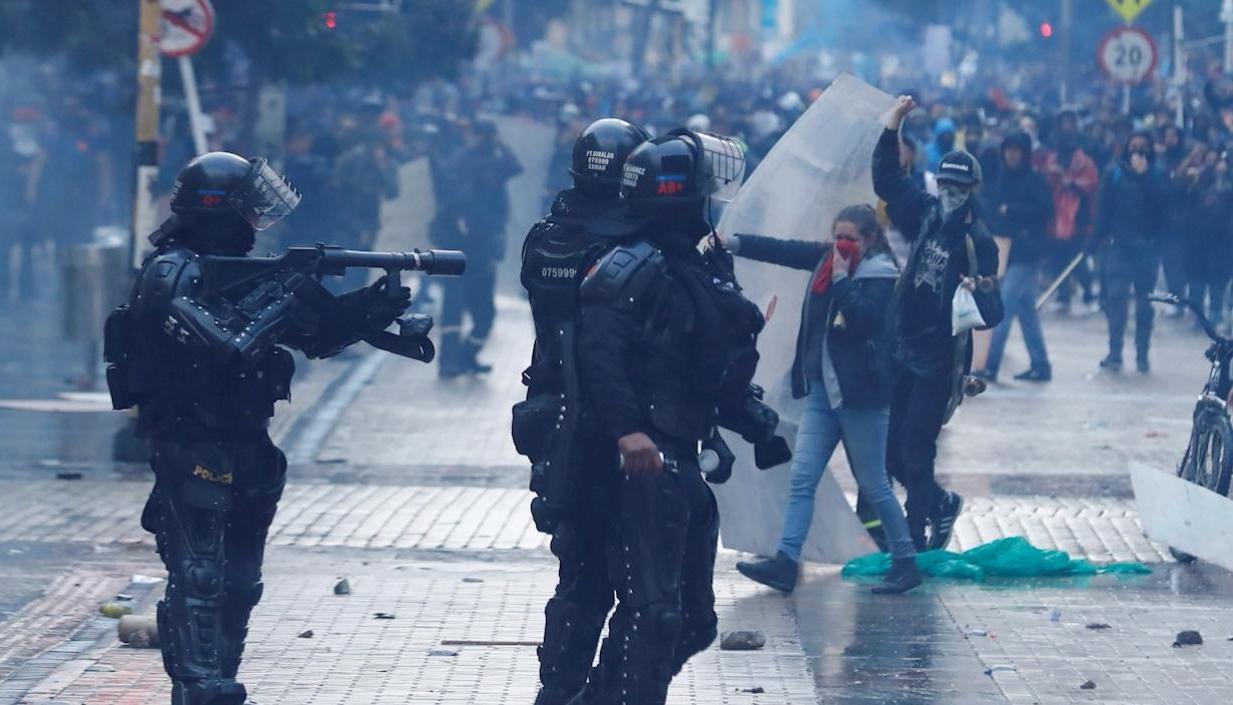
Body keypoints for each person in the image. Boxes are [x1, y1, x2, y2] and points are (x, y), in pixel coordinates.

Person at [105, 153, 413, 705]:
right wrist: (278, 298)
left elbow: (319, 336)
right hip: (191, 438)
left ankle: (222, 678)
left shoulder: (247, 274)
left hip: (248, 441)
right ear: (219, 212)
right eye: (248, 212)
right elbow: (225, 347)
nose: (255, 226)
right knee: (199, 574)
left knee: (241, 582)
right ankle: (198, 689)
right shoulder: (172, 272)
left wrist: (376, 302)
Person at [574, 129, 782, 705]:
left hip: (684, 456)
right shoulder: (630, 267)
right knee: (657, 615)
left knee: (693, 620)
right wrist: (627, 431)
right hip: (645, 459)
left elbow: (711, 363)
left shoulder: (693, 268)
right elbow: (598, 354)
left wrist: (755, 420)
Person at [516, 117, 650, 705]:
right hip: (625, 427)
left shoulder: (547, 237)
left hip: (558, 422)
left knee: (578, 573)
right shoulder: (637, 251)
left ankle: (559, 692)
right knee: (645, 586)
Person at [723, 205, 922, 595]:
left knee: (874, 484)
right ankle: (786, 561)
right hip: (822, 393)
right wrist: (733, 243)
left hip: (860, 397)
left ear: (870, 241)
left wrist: (845, 280)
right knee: (802, 478)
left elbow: (864, 319)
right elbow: (783, 250)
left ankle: (905, 560)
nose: (842, 245)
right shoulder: (826, 261)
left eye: (852, 239)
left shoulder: (881, 277)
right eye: (838, 237)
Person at [874, 96, 1004, 552]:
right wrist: (892, 126)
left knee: (916, 446)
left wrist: (981, 287)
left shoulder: (978, 241)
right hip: (903, 345)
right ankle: (940, 503)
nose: (950, 193)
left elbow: (993, 315)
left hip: (940, 358)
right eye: (945, 184)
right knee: (890, 450)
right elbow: (889, 180)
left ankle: (914, 538)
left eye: (959, 188)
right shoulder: (925, 213)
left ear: (973, 190)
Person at [438, 120, 523, 377]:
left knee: (477, 311)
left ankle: (462, 358)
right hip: (465, 249)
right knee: (464, 309)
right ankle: (452, 361)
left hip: (474, 250)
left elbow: (515, 168)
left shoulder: (472, 162)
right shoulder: (471, 163)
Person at [974, 130, 1055, 383]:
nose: (1011, 154)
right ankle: (1040, 364)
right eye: (1008, 149)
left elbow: (1046, 210)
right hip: (1004, 250)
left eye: (1016, 150)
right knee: (1026, 310)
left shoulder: (1034, 180)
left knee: (1004, 308)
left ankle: (989, 364)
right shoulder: (1000, 177)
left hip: (1027, 254)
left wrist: (1013, 211)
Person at [1094, 132, 1167, 373]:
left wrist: (1144, 177)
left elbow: (1162, 208)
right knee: (1116, 299)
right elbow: (1104, 209)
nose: (1137, 152)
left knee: (1145, 304)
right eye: (1133, 148)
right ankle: (1115, 351)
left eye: (1142, 148)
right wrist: (1095, 239)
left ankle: (1142, 353)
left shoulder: (1157, 175)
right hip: (1120, 248)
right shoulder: (1114, 173)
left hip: (1147, 249)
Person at [1040, 109, 1100, 315]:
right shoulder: (1052, 157)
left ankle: (1089, 294)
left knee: (1078, 259)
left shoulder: (1085, 160)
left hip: (1079, 216)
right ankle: (1063, 295)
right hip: (1056, 215)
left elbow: (1092, 183)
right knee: (1058, 257)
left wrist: (1069, 182)